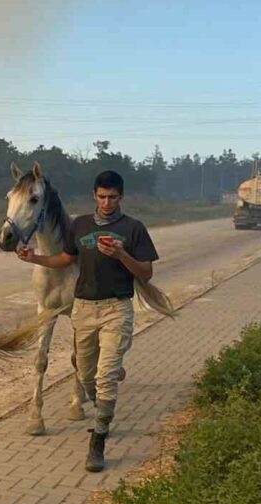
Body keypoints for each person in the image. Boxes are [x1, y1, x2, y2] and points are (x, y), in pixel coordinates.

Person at [17, 170, 158, 472]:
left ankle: (98, 440)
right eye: (102, 196)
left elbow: (145, 273)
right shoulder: (80, 225)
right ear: (95, 195)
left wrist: (122, 255)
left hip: (116, 309)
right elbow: (65, 260)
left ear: (121, 197)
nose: (107, 202)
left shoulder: (133, 228)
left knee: (106, 376)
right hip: (83, 309)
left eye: (113, 197)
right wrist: (34, 259)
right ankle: (100, 410)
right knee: (86, 375)